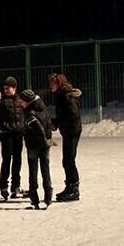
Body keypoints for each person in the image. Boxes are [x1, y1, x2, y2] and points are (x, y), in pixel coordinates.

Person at [48, 73, 82, 202]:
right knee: (67, 160)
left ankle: (73, 189)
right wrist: (56, 123)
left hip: (72, 132)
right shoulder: (61, 96)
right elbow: (65, 115)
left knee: (69, 160)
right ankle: (70, 186)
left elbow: (73, 115)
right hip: (69, 131)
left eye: (52, 83)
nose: (50, 86)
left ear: (58, 83)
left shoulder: (66, 97)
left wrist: (59, 123)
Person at [20, 89, 54, 210]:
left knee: (33, 172)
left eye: (22, 101)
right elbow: (50, 124)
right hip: (46, 144)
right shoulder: (43, 107)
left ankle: (34, 198)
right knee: (46, 170)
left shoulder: (30, 113)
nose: (20, 103)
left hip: (34, 145)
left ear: (28, 102)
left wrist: (43, 140)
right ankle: (48, 196)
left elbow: (38, 129)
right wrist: (48, 141)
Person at [0, 77, 26, 200]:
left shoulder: (20, 101)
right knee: (6, 160)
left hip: (18, 134)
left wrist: (24, 129)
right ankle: (4, 187)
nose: (6, 90)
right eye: (4, 88)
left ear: (14, 88)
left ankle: (15, 186)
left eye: (8, 88)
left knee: (17, 161)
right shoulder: (2, 103)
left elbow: (26, 116)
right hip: (7, 134)